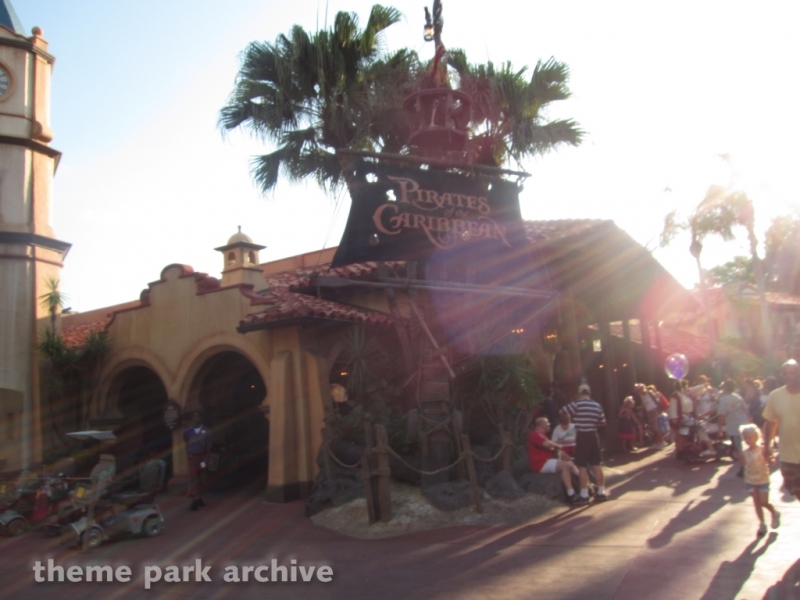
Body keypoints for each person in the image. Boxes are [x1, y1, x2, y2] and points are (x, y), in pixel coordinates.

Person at [562, 383, 608, 503]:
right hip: (593, 435)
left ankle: (584, 494)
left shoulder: (577, 404)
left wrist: (575, 420)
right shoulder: (597, 405)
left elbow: (562, 411)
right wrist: (592, 423)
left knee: (582, 465)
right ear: (589, 392)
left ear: (579, 393)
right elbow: (603, 422)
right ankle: (601, 492)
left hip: (582, 435)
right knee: (597, 464)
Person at [763, 359, 800, 501]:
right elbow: (771, 423)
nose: (788, 375)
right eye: (785, 373)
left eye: (792, 372)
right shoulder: (775, 396)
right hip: (788, 456)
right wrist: (767, 447)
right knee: (795, 490)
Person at [527, 417, 581, 503]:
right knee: (564, 466)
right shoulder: (535, 434)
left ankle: (586, 486)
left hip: (548, 461)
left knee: (570, 463)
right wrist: (559, 446)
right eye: (548, 423)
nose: (550, 424)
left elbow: (553, 448)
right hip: (540, 464)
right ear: (542, 425)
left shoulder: (543, 435)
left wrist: (563, 454)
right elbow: (548, 444)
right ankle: (571, 494)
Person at [739, 424, 780, 537]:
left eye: (750, 437)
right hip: (750, 480)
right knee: (756, 503)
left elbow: (770, 461)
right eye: (745, 438)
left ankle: (774, 512)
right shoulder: (743, 452)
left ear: (756, 437)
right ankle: (762, 524)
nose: (747, 440)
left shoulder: (762, 450)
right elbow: (744, 466)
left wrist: (771, 460)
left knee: (763, 502)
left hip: (763, 479)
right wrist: (744, 480)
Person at [717, 379, 751, 475]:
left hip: (734, 427)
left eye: (723, 386)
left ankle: (744, 468)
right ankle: (748, 466)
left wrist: (719, 427)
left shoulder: (724, 400)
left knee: (739, 448)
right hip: (744, 425)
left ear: (726, 388)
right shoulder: (738, 397)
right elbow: (746, 410)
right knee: (745, 447)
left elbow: (721, 415)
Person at [183, 412, 213, 510]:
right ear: (192, 418)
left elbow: (209, 446)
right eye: (194, 416)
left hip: (203, 457)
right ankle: (194, 500)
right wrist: (188, 452)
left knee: (202, 478)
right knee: (193, 477)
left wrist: (206, 459)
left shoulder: (206, 430)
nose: (196, 418)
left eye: (198, 416)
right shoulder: (188, 431)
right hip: (192, 457)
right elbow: (185, 441)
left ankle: (199, 497)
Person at [635, 383, 666, 449]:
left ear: (642, 389)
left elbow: (656, 400)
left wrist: (659, 410)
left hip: (654, 410)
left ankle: (662, 442)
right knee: (652, 428)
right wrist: (639, 407)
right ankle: (657, 442)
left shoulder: (649, 392)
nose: (638, 392)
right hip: (648, 412)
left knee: (656, 427)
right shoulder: (642, 396)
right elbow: (645, 405)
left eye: (638, 390)